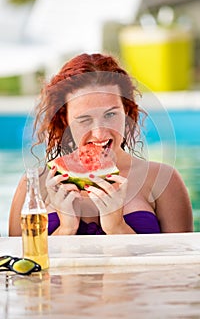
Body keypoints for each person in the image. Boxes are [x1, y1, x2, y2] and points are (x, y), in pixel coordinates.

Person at [9, 53, 193, 236]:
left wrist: (117, 227)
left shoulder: (164, 180)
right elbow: (18, 263)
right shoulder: (32, 185)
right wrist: (66, 229)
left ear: (126, 111)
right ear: (64, 121)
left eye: (111, 115)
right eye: (84, 119)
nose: (99, 133)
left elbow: (181, 263)